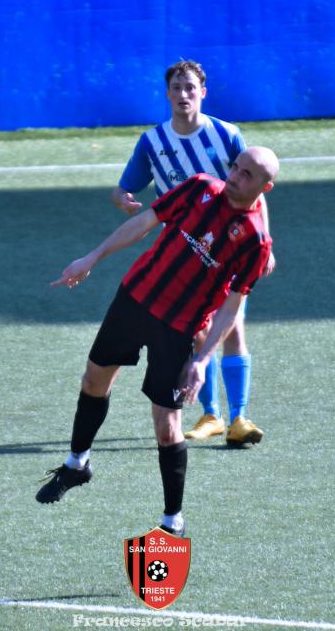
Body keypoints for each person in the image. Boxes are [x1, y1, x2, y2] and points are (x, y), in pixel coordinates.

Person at [37, 146, 280, 536]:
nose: (235, 176)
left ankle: (172, 522)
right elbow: (144, 222)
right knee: (94, 380)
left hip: (179, 328)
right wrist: (92, 258)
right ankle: (77, 464)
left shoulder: (255, 241)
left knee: (167, 426)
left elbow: (232, 307)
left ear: (265, 188)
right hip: (134, 299)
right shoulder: (199, 187)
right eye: (235, 167)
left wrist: (202, 359)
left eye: (247, 174)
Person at [111, 59, 273, 447]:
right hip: (183, 255)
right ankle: (211, 414)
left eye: (190, 87)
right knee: (199, 333)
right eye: (176, 88)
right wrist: (122, 199)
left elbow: (255, 188)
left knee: (232, 328)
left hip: (230, 246)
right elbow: (124, 186)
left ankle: (239, 417)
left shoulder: (226, 134)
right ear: (167, 94)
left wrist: (265, 240)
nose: (183, 94)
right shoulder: (153, 142)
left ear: (203, 92)